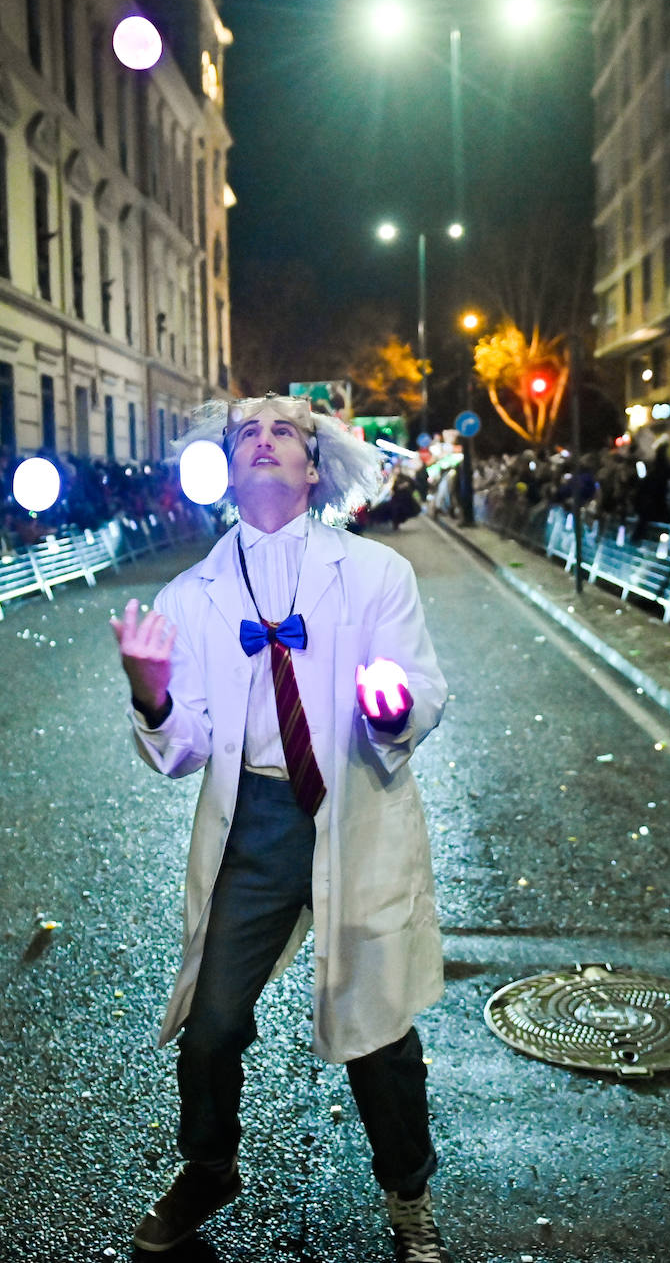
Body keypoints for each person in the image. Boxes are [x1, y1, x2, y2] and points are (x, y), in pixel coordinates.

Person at [111, 393, 451, 1262]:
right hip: (254, 826)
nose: (263, 441)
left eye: (283, 432)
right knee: (215, 1020)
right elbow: (182, 748)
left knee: (378, 1030)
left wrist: (391, 705)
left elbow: (419, 691)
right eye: (244, 434)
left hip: (354, 813)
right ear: (227, 469)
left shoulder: (376, 575)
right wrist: (150, 692)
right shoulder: (193, 594)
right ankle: (210, 1166)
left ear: (314, 465)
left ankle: (408, 1195)